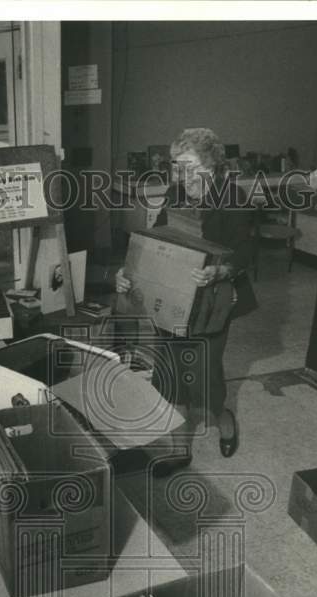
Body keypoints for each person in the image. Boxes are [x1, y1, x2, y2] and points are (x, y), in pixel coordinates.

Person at [116, 127, 257, 471]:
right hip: (174, 297)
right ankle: (179, 451)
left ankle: (224, 420)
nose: (183, 173)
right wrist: (128, 270)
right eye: (178, 164)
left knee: (205, 377)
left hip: (213, 300)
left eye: (190, 164)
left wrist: (220, 272)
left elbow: (247, 251)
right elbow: (155, 241)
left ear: (210, 163)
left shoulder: (232, 197)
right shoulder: (176, 192)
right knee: (170, 375)